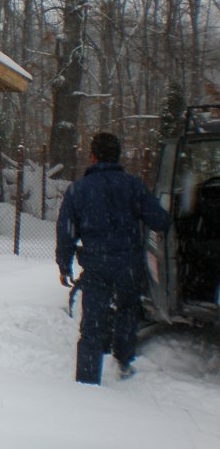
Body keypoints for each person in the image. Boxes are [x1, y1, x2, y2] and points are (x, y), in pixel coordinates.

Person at [56, 132, 171, 385]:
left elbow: (66, 231)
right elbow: (160, 220)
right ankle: (124, 362)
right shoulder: (134, 186)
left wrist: (64, 265)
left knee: (93, 324)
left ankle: (87, 380)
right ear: (118, 157)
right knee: (128, 312)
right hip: (129, 265)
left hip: (96, 265)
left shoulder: (79, 190)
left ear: (93, 157)